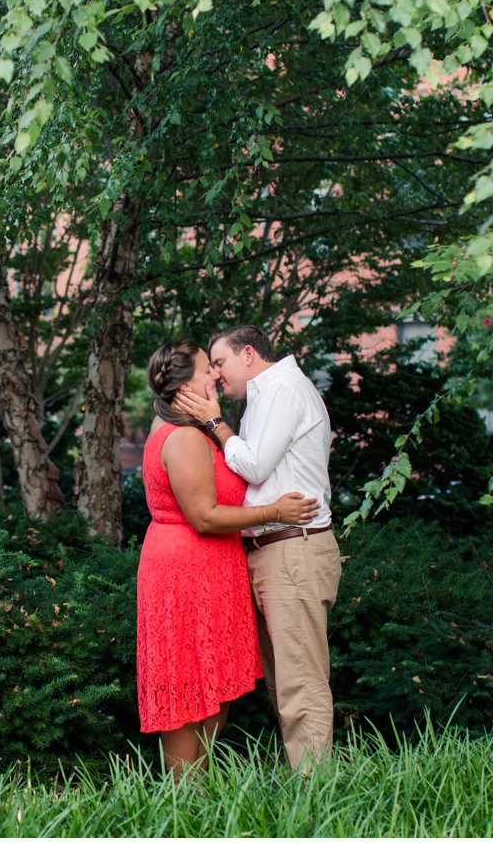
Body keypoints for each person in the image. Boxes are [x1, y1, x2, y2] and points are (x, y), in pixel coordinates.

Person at [138, 340, 320, 778]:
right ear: (184, 387)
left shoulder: (194, 430)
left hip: (212, 569)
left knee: (212, 690)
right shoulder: (182, 438)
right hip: (185, 571)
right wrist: (276, 512)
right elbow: (203, 516)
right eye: (207, 371)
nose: (216, 377)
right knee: (189, 688)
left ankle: (198, 801)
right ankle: (183, 806)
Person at [174, 323, 341, 772]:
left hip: (293, 548)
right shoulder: (264, 397)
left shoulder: (284, 389)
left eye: (221, 362)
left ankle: (318, 797)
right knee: (285, 682)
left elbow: (254, 464)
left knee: (300, 683)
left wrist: (213, 422)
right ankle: (307, 784)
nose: (217, 375)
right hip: (275, 549)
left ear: (249, 354)